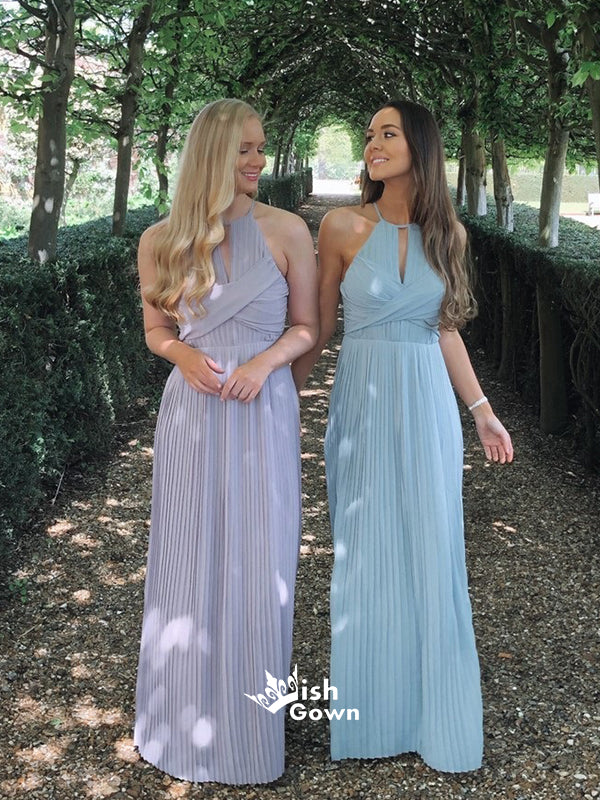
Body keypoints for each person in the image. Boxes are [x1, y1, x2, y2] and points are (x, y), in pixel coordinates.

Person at [293, 99, 513, 772]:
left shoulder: (451, 234)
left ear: (420, 145)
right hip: (360, 406)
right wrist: (283, 397)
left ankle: (435, 720)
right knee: (363, 553)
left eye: (387, 133)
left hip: (427, 408)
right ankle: (371, 723)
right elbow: (317, 327)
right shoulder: (339, 226)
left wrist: (480, 409)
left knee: (433, 550)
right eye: (369, 135)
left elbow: (444, 330)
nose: (373, 144)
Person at [133, 98, 318, 784]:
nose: (257, 161)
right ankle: (177, 722)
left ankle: (248, 734)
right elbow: (156, 331)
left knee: (261, 558)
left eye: (261, 148)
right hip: (192, 412)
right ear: (210, 155)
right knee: (185, 553)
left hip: (262, 409)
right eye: (244, 149)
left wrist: (266, 365)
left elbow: (307, 327)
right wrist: (182, 355)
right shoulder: (160, 240)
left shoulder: (287, 230)